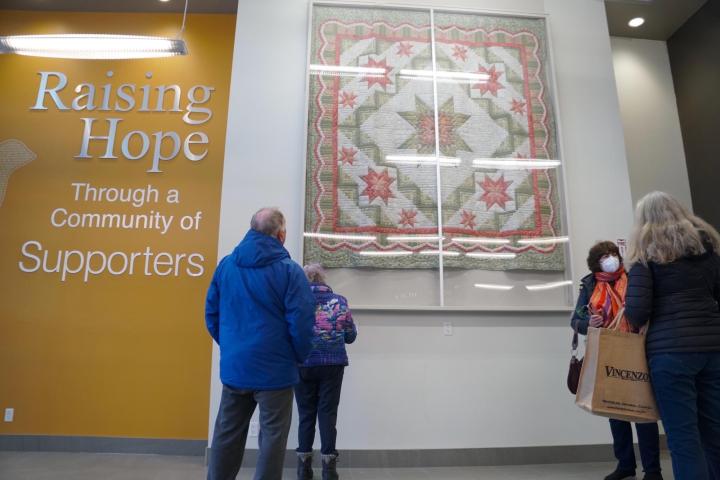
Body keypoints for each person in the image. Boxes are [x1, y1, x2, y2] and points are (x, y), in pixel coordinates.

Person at [205, 207, 316, 480]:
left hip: (236, 368)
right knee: (272, 440)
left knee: (227, 435)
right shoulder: (290, 272)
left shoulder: (226, 265)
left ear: (251, 229)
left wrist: (232, 347)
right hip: (275, 372)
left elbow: (212, 314)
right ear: (281, 234)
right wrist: (299, 356)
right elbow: (301, 322)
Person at [625, 192, 720, 480]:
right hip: (713, 348)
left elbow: (637, 311)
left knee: (683, 438)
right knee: (715, 433)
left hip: (670, 354)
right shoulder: (708, 249)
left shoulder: (645, 252)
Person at [571, 241, 663, 480]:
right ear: (595, 262)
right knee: (613, 408)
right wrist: (587, 323)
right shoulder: (589, 283)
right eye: (604, 255)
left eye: (613, 253)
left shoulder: (634, 276)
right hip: (607, 349)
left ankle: (653, 470)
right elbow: (576, 320)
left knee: (642, 410)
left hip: (637, 347)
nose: (610, 258)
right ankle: (625, 465)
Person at [295, 264, 357, 480]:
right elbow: (350, 336)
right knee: (328, 413)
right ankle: (329, 466)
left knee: (306, 414)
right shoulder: (339, 301)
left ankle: (303, 466)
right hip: (332, 364)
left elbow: (290, 331)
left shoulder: (297, 300)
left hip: (303, 363)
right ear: (323, 279)